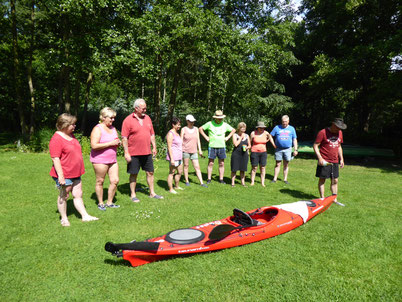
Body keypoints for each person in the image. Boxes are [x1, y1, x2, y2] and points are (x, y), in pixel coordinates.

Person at [49, 113, 99, 227]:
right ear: (64, 125)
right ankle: (64, 218)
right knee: (64, 195)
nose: (74, 126)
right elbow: (55, 159)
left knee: (78, 194)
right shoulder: (56, 139)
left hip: (75, 172)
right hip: (65, 173)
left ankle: (85, 216)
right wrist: (61, 177)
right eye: (72, 124)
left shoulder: (71, 135)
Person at [121, 98, 163, 202]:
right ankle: (133, 194)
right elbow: (124, 138)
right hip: (134, 153)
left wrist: (154, 147)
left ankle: (152, 193)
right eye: (143, 108)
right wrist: (126, 152)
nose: (145, 110)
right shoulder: (128, 120)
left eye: (145, 108)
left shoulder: (148, 118)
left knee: (150, 172)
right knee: (134, 173)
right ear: (136, 108)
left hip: (147, 152)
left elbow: (152, 134)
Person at [90, 107, 121, 211]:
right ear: (103, 117)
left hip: (112, 159)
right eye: (111, 118)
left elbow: (115, 140)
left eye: (114, 118)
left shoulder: (113, 128)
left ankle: (110, 202)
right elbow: (94, 145)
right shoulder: (97, 129)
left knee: (115, 180)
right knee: (100, 181)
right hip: (100, 160)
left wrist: (118, 143)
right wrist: (110, 144)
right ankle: (100, 203)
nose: (113, 120)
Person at [313, 118, 346, 200]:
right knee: (322, 179)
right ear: (333, 125)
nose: (339, 129)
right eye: (338, 127)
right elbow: (315, 146)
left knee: (335, 180)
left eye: (340, 128)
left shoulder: (340, 133)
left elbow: (339, 146)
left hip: (335, 161)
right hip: (324, 160)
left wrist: (341, 159)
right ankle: (322, 198)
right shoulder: (322, 132)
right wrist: (320, 158)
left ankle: (334, 198)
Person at [199, 110, 236, 184]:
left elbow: (233, 130)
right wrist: (206, 137)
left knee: (221, 163)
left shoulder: (225, 124)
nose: (220, 119)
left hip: (222, 146)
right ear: (215, 118)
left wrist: (227, 137)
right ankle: (209, 178)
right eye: (219, 118)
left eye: (221, 118)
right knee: (211, 163)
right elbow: (200, 129)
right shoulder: (210, 124)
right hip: (212, 146)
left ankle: (221, 179)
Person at [180, 114, 207, 187]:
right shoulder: (183, 129)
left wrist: (200, 150)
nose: (192, 123)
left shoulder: (196, 129)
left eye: (193, 121)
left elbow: (198, 140)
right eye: (191, 121)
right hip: (185, 150)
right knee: (186, 165)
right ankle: (186, 181)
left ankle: (201, 182)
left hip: (194, 151)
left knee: (197, 167)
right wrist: (180, 150)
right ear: (187, 121)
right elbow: (181, 140)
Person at [270, 115, 298, 184]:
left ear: (288, 121)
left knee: (286, 164)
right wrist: (273, 144)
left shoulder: (292, 129)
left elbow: (294, 139)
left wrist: (295, 149)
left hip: (288, 149)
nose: (284, 123)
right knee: (277, 164)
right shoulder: (277, 127)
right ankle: (274, 179)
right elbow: (270, 136)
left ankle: (285, 179)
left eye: (285, 122)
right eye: (283, 122)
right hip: (278, 149)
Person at [250, 121, 276, 187]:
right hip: (254, 152)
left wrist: (274, 145)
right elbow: (249, 142)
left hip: (263, 152)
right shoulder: (253, 133)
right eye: (260, 128)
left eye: (263, 128)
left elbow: (270, 138)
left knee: (263, 167)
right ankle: (252, 182)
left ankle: (262, 182)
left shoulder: (266, 133)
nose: (262, 129)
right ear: (257, 128)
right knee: (254, 167)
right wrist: (247, 149)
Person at [166, 117, 184, 194]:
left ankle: (176, 186)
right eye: (178, 125)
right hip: (174, 157)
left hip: (179, 156)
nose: (179, 126)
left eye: (180, 125)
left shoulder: (177, 133)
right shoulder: (170, 134)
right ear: (173, 124)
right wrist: (172, 159)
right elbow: (169, 147)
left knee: (180, 172)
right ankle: (171, 189)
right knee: (172, 173)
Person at [230, 122, 251, 187]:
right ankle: (233, 183)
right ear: (239, 128)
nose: (243, 130)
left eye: (244, 129)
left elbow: (250, 145)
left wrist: (247, 147)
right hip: (236, 154)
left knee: (243, 169)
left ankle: (243, 183)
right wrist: (241, 137)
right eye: (242, 128)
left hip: (244, 154)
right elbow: (235, 144)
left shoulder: (247, 136)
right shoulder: (235, 135)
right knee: (234, 169)